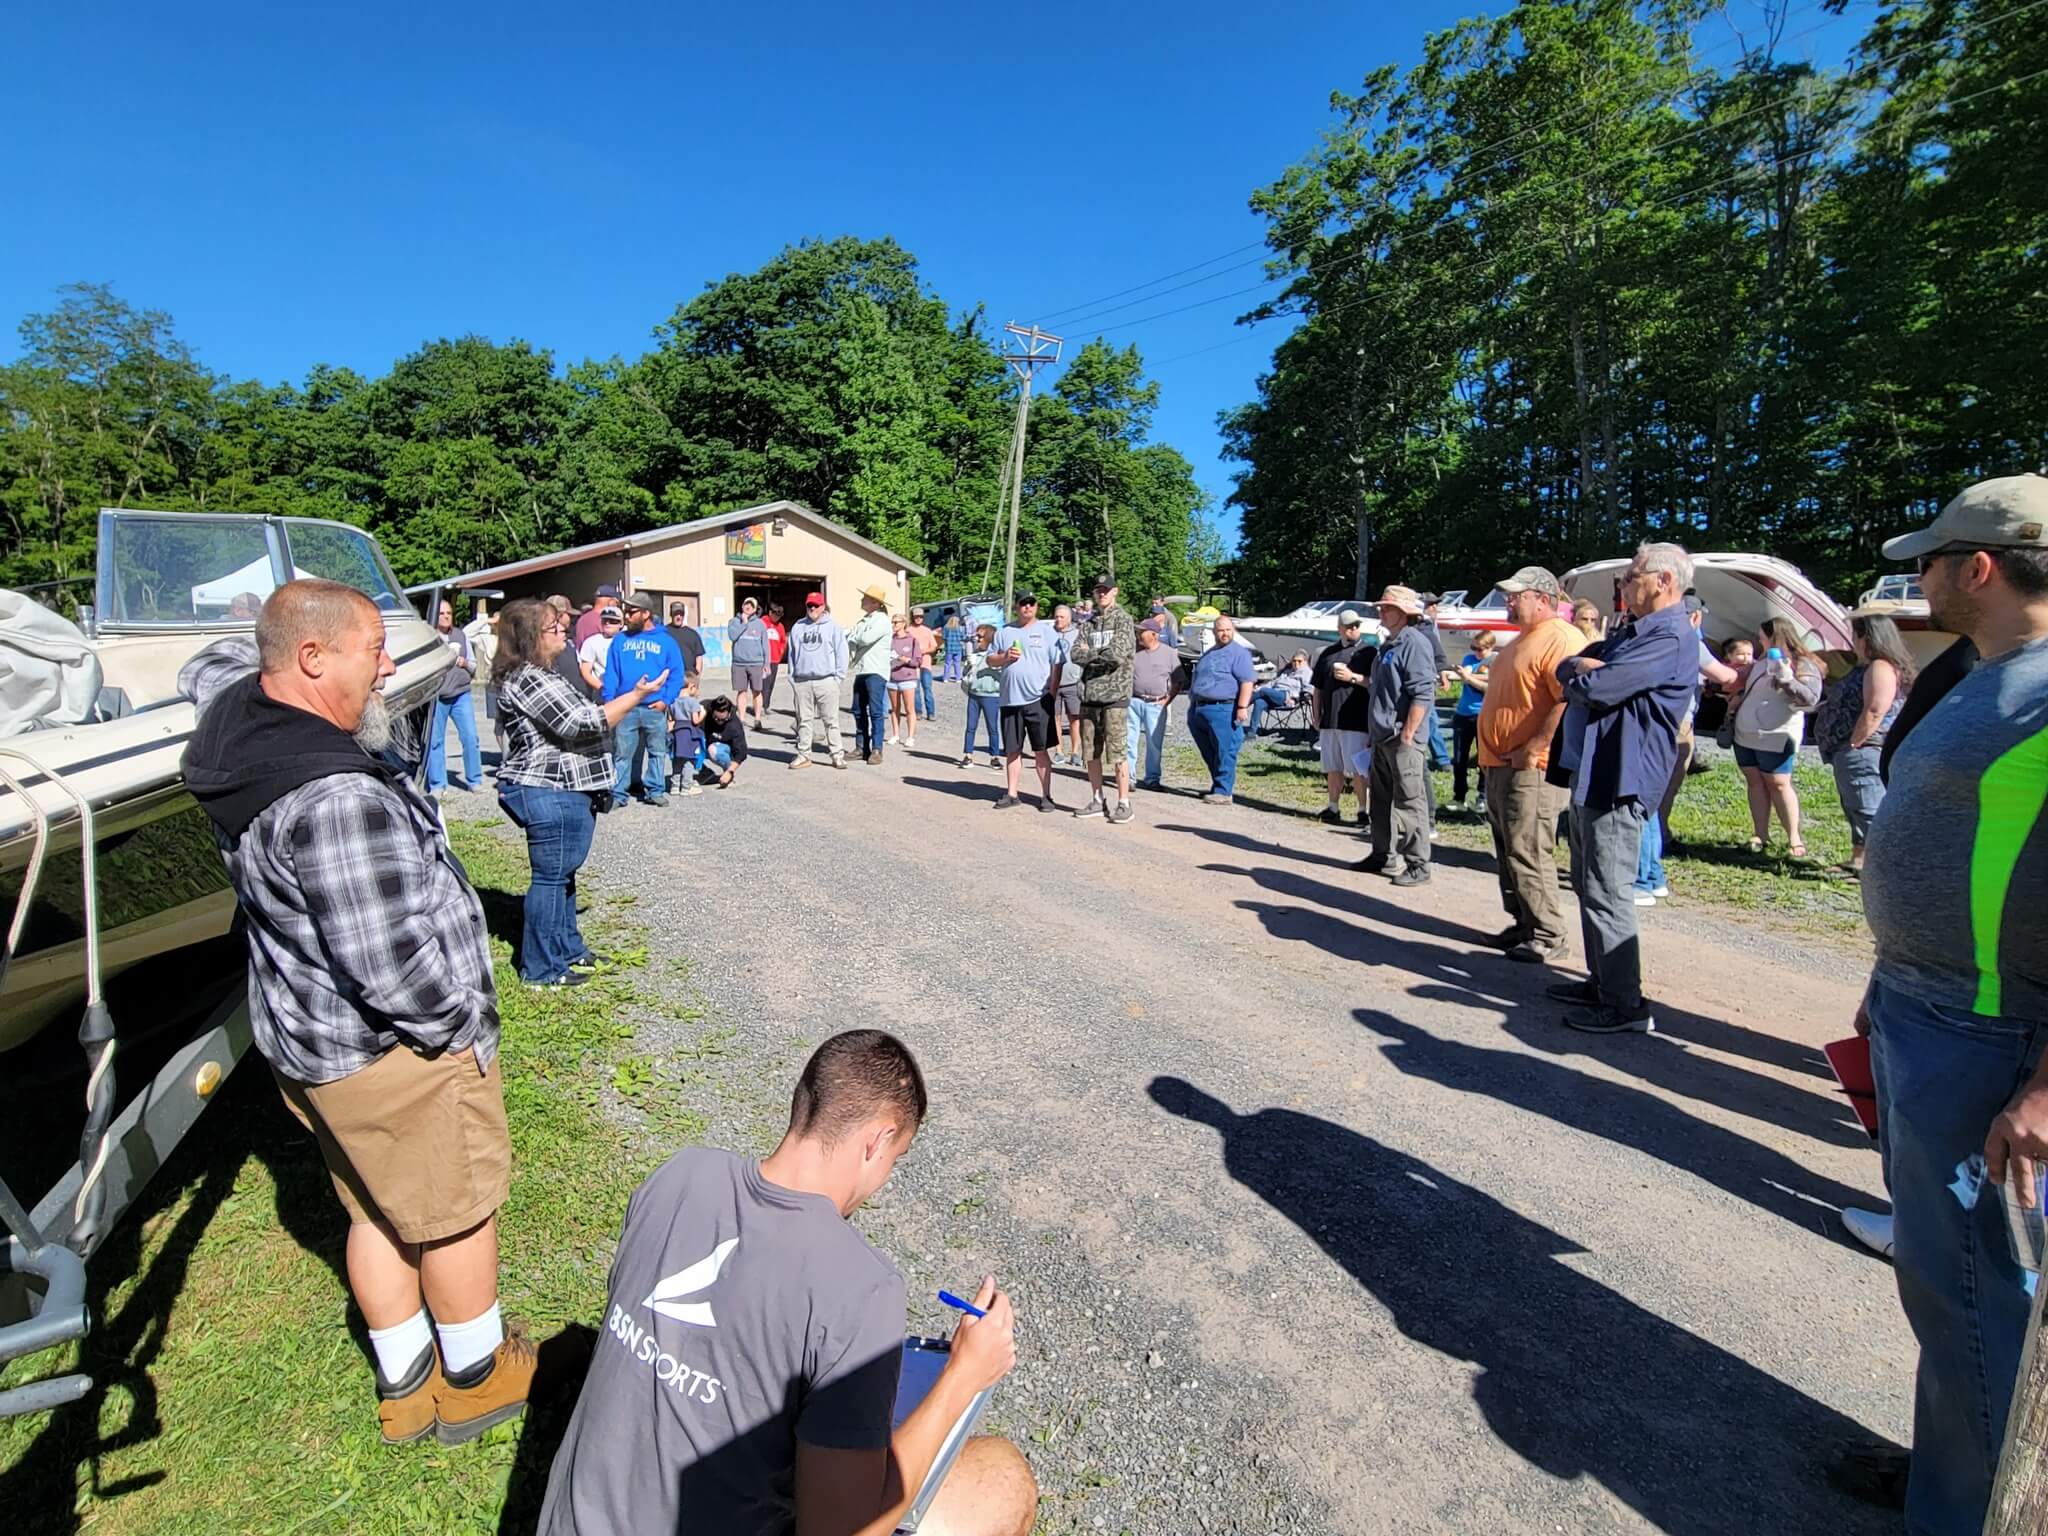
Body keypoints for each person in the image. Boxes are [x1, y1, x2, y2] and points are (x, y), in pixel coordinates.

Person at [179, 580, 538, 1445]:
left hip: (309, 1040)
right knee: (455, 1215)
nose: (388, 668)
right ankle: (480, 1379)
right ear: (310, 660)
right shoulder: (339, 797)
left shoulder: (239, 718)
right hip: (391, 1059)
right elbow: (389, 966)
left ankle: (405, 1383)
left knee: (377, 1210)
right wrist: (455, 1026)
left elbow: (211, 662)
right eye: (372, 651)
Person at [536, 1030, 1035, 1536]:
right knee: (1001, 1480)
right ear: (878, 1140)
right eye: (894, 1159)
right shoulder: (861, 1289)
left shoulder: (680, 1174)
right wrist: (964, 1376)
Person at [1857, 473, 2048, 1535]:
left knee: (1983, 1308)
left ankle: (1972, 1515)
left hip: (1995, 1043)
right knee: (1946, 1292)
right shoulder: (1985, 672)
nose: (1915, 579)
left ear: (1978, 567)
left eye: (1927, 560)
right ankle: (1952, 1476)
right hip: (1925, 1014)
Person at [1550, 543, 1698, 1034]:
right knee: (1590, 884)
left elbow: (1599, 688)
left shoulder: (1670, 636)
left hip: (1622, 778)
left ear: (1664, 582)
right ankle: (1603, 982)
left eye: (1633, 576)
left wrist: (1589, 674)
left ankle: (1624, 1004)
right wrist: (1585, 670)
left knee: (1609, 890)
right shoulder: (1636, 632)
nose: (1625, 584)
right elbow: (1571, 668)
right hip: (1596, 772)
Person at [493, 599, 668, 987]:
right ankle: (540, 970)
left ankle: (569, 950)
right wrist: (637, 695)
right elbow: (581, 723)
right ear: (529, 637)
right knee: (550, 879)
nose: (563, 631)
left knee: (564, 875)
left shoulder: (545, 673)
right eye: (553, 628)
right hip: (549, 788)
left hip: (570, 789)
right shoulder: (528, 678)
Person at [1476, 567, 1585, 964]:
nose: (1508, 600)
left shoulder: (1561, 638)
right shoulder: (1522, 640)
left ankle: (1549, 933)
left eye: (1516, 595)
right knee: (1509, 847)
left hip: (1533, 766)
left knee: (1529, 847)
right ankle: (1524, 922)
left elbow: (1568, 699)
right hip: (1502, 764)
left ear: (1543, 599)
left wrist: (1536, 745)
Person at [1816, 614, 1914, 875]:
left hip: (1865, 748)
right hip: (1852, 749)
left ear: (1868, 637)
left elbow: (1875, 708)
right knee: (1855, 804)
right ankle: (1860, 859)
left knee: (1867, 804)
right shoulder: (1869, 665)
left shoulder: (1880, 667)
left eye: (1855, 635)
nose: (1853, 641)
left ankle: (1878, 868)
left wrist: (1855, 742)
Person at [1357, 586, 1437, 886]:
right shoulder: (1389, 645)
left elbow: (1422, 692)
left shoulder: (1414, 643)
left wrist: (1408, 733)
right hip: (1382, 735)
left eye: (1387, 608)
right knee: (1380, 800)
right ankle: (1382, 854)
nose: (1381, 612)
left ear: (1404, 613)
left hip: (1402, 737)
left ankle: (1418, 864)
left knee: (1409, 802)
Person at [1728, 617, 1825, 857]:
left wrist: (1787, 679)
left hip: (1777, 735)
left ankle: (1794, 838)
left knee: (1779, 784)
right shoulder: (1761, 662)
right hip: (1746, 732)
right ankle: (1760, 833)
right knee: (1754, 782)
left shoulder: (1803, 664)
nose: (1760, 642)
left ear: (1776, 637)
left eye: (1764, 637)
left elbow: (1811, 698)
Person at [604, 593, 686, 808]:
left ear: (646, 613)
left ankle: (655, 790)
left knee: (657, 752)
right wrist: (609, 701)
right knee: (622, 753)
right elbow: (611, 672)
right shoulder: (620, 640)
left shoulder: (666, 641)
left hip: (654, 707)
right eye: (626, 612)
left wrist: (666, 700)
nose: (627, 617)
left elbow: (676, 674)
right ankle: (618, 794)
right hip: (625, 707)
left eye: (631, 612)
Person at [1067, 574, 1137, 823]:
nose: (1102, 594)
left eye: (1106, 590)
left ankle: (1123, 802)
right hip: (1089, 697)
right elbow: (1074, 653)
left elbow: (1116, 655)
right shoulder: (1088, 623)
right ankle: (1097, 799)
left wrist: (1091, 654)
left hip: (1114, 696)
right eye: (1098, 590)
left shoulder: (1123, 620)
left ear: (1115, 591)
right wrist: (1095, 655)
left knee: (1117, 752)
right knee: (1090, 753)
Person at [988, 592, 1066, 811]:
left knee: (1041, 750)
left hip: (1038, 700)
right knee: (1013, 750)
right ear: (1016, 607)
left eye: (1031, 603)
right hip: (1010, 700)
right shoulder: (1004, 632)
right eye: (1023, 603)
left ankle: (1046, 796)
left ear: (1037, 607)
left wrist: (1052, 691)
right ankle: (1012, 793)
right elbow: (989, 659)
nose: (1027, 607)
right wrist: (1004, 658)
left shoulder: (1047, 632)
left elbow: (1058, 663)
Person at [1185, 615, 1256, 804]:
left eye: (1227, 630)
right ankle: (1217, 785)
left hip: (1224, 709)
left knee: (1225, 751)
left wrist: (1242, 707)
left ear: (1233, 630)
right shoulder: (1209, 653)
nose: (1224, 634)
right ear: (1214, 632)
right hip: (1199, 709)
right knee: (1209, 751)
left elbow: (1247, 682)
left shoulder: (1240, 653)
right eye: (1220, 630)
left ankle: (1224, 792)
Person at [1311, 612, 1374, 825]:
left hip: (1356, 719)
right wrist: (1316, 714)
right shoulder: (1328, 653)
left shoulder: (1369, 652)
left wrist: (1353, 677)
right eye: (1347, 626)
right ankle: (1333, 806)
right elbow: (1317, 687)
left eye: (1355, 625)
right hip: (1330, 719)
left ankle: (1363, 810)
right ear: (1339, 628)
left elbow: (1375, 684)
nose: (1352, 630)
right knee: (1332, 766)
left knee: (1358, 768)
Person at [786, 592, 850, 770]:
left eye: (816, 605)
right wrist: (792, 676)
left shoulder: (833, 627)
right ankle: (804, 754)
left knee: (831, 721)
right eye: (809, 606)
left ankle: (837, 755)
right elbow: (791, 654)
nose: (812, 609)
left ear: (823, 607)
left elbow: (842, 654)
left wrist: (838, 678)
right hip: (802, 681)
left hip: (826, 680)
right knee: (804, 720)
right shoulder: (798, 627)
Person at [428, 599, 483, 795]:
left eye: (449, 613)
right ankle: (437, 784)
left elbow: (474, 666)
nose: (445, 617)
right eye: (442, 613)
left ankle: (474, 780)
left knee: (470, 737)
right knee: (435, 741)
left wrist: (463, 663)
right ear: (435, 615)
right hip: (437, 696)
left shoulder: (461, 636)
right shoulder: (429, 637)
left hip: (461, 693)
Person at [1126, 618, 1187, 790]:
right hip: (1134, 701)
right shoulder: (1134, 653)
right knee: (1129, 742)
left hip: (1155, 704)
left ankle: (1152, 778)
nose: (1138, 634)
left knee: (1154, 743)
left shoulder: (1168, 653)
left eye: (1142, 631)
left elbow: (1179, 681)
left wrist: (1167, 700)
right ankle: (1128, 778)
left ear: (1153, 635)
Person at [1450, 630, 1496, 813]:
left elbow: (1490, 682)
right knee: (1460, 758)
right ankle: (1459, 796)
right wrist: (1464, 676)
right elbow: (1464, 673)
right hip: (1463, 713)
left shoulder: (1495, 660)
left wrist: (1469, 678)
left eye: (1480, 649)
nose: (1476, 652)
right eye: (1474, 648)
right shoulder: (1469, 659)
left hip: (1484, 713)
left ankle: (1483, 795)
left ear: (1490, 647)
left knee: (1484, 758)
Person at [847, 585, 893, 764]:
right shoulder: (864, 620)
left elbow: (864, 639)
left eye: (865, 598)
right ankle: (861, 747)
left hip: (876, 671)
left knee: (875, 711)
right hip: (862, 669)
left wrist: (853, 637)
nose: (861, 600)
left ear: (875, 602)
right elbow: (855, 639)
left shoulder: (881, 620)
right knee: (858, 710)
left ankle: (876, 749)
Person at [959, 622, 1004, 768]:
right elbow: (966, 675)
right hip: (974, 694)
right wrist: (968, 666)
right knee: (971, 726)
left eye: (980, 636)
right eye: (977, 636)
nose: (977, 639)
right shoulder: (975, 654)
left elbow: (1002, 673)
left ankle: (994, 756)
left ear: (989, 638)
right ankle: (967, 755)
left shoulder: (998, 655)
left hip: (991, 695)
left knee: (992, 727)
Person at [727, 597, 772, 730]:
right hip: (739, 664)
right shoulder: (734, 622)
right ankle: (741, 719)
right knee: (741, 691)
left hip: (756, 663)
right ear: (742, 606)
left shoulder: (760, 624)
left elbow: (765, 645)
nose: (748, 607)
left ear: (755, 609)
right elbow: (732, 636)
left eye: (751, 605)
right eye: (746, 604)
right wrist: (744, 623)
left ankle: (757, 719)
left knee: (757, 691)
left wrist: (767, 664)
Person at [687, 694, 749, 791]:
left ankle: (727, 773)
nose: (719, 722)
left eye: (723, 720)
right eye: (716, 718)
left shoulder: (734, 725)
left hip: (723, 749)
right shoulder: (704, 709)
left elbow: (742, 753)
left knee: (714, 749)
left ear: (729, 714)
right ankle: (704, 771)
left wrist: (730, 772)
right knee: (685, 744)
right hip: (704, 743)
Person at [1246, 651, 1312, 739]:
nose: (1296, 663)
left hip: (1286, 697)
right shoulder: (1287, 671)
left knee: (1263, 691)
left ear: (1305, 662)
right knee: (1259, 702)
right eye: (1294, 661)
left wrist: (1296, 698)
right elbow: (1272, 683)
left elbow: (1308, 689)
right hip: (1274, 694)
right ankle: (1252, 733)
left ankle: (1241, 705)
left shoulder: (1307, 673)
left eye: (1299, 661)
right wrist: (1259, 688)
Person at [1051, 604, 1084, 767]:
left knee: (1075, 718)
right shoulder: (1049, 634)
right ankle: (1058, 751)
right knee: (1054, 717)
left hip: (1072, 682)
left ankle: (1076, 752)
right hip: (1052, 684)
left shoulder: (1078, 634)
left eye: (1061, 617)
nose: (1058, 619)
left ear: (1069, 618)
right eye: (1056, 616)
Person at [887, 612, 920, 747]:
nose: (894, 625)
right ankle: (895, 734)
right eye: (893, 622)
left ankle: (910, 736)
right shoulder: (890, 639)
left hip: (907, 677)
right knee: (894, 708)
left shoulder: (912, 640)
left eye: (896, 622)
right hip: (892, 677)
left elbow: (917, 661)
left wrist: (905, 659)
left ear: (903, 623)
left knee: (909, 708)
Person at [579, 607, 622, 693]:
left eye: (612, 621)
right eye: (604, 620)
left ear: (621, 623)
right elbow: (586, 671)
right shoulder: (592, 642)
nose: (607, 623)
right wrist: (602, 688)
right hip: (603, 691)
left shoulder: (629, 640)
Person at [665, 602, 706, 689]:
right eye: (676, 614)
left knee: (689, 702)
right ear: (671, 615)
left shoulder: (693, 634)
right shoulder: (664, 633)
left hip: (689, 677)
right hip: (670, 677)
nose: (678, 617)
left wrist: (697, 674)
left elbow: (699, 655)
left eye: (681, 614)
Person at [759, 602, 789, 722]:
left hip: (775, 659)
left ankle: (767, 706)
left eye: (779, 616)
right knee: (763, 684)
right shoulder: (762, 623)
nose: (777, 618)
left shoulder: (780, 626)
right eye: (775, 615)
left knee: (770, 684)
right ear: (770, 613)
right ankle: (760, 706)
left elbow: (783, 641)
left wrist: (781, 653)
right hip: (764, 660)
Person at [909, 605, 938, 722]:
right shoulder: (908, 630)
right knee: (915, 689)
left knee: (927, 688)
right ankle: (918, 712)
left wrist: (924, 651)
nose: (918, 619)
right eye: (916, 617)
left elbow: (934, 646)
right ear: (913, 617)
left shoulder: (927, 631)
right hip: (913, 664)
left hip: (925, 663)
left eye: (920, 617)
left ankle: (931, 712)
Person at [573, 583, 623, 648]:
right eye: (617, 603)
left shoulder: (582, 619)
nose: (618, 608)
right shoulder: (604, 622)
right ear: (611, 602)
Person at [942, 611, 967, 683]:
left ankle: (945, 678)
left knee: (947, 664)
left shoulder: (946, 628)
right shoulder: (960, 628)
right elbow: (963, 637)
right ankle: (958, 678)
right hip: (958, 648)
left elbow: (944, 637)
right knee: (957, 663)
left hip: (949, 648)